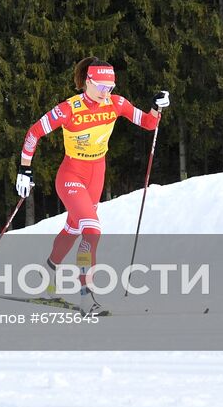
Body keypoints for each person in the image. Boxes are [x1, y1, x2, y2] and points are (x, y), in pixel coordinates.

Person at [15, 58, 166, 315]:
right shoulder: (69, 109)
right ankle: (87, 298)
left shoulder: (116, 104)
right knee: (92, 231)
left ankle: (45, 282)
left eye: (111, 86)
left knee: (74, 229)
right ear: (88, 82)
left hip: (96, 175)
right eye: (102, 86)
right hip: (71, 174)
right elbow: (34, 132)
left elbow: (149, 123)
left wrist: (156, 106)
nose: (107, 92)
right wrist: (25, 170)